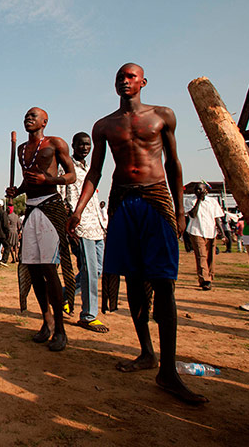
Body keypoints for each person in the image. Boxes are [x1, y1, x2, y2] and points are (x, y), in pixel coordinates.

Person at [67, 63, 207, 404]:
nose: (124, 81)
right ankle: (147, 353)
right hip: (123, 202)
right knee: (133, 281)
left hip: (156, 199)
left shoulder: (162, 116)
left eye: (131, 76)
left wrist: (179, 211)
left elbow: (174, 164)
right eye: (120, 77)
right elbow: (96, 171)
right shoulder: (104, 126)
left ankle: (170, 371)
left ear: (143, 82)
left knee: (162, 283)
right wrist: (79, 208)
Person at [7, 107, 76, 352]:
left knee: (48, 268)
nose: (28, 118)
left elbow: (71, 176)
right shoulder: (21, 149)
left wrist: (49, 181)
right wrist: (18, 191)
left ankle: (60, 328)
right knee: (33, 268)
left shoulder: (55, 143)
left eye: (33, 116)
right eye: (26, 115)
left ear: (45, 121)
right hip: (31, 209)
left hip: (50, 206)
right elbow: (29, 180)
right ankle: (45, 320)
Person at [64, 132, 108, 333]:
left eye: (87, 144)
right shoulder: (67, 168)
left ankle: (63, 294)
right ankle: (89, 316)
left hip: (97, 225)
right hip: (80, 224)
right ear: (73, 145)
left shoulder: (91, 169)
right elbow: (62, 196)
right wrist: (70, 223)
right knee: (89, 270)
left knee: (97, 269)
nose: (85, 148)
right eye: (80, 144)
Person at [185, 183, 223, 291]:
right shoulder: (190, 201)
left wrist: (223, 233)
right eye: (196, 190)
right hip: (196, 231)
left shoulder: (212, 202)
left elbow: (217, 218)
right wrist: (198, 201)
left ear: (206, 190)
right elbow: (192, 215)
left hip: (211, 231)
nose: (198, 192)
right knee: (201, 255)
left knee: (210, 255)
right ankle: (204, 279)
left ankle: (210, 277)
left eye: (200, 190)